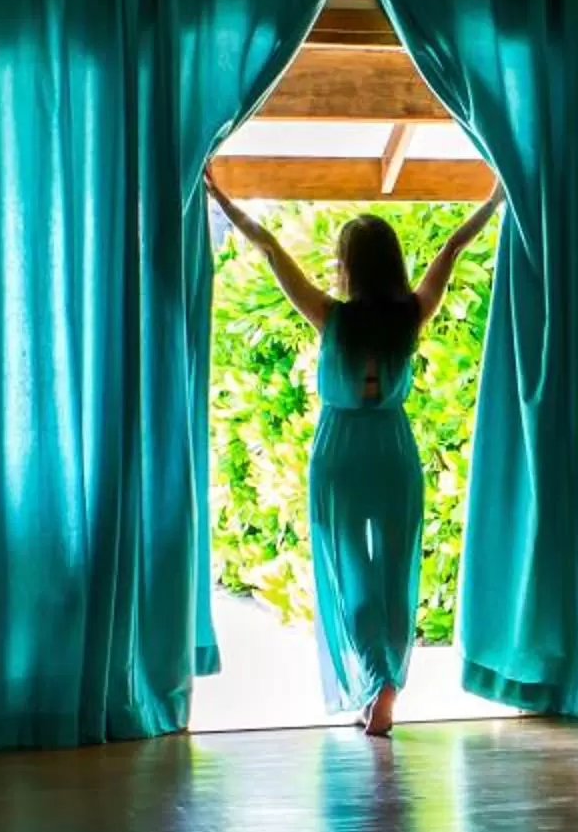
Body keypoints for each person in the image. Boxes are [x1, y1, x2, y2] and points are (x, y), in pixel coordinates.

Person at [206, 175, 502, 736]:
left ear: (351, 266)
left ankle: (375, 682)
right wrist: (491, 201)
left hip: (340, 453)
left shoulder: (331, 317)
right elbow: (452, 248)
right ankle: (382, 686)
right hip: (392, 449)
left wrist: (221, 200)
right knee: (395, 571)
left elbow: (267, 244)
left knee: (351, 572)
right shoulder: (411, 315)